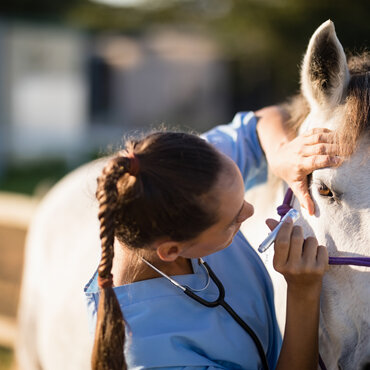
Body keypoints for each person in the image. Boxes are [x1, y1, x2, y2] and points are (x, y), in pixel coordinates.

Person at [84, 106, 340, 370]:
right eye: (232, 221)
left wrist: (280, 153)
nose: (249, 211)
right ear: (172, 251)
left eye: (243, 199)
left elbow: (264, 121)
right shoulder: (151, 355)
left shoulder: (188, 172)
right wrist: (303, 293)